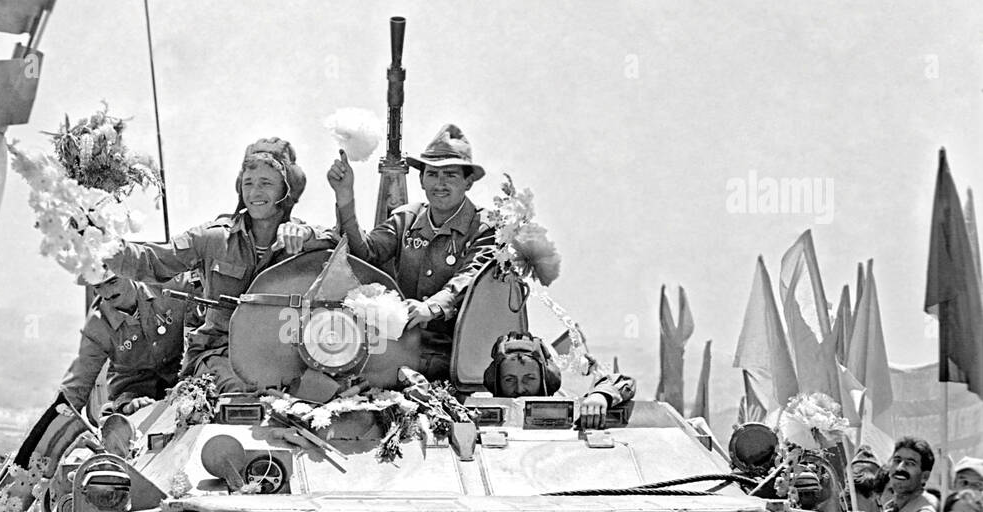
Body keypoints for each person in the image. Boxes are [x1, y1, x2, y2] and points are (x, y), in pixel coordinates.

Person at [103, 138, 336, 392]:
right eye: (248, 183)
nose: (255, 193)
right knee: (244, 396)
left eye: (266, 183)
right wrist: (97, 241)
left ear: (286, 190)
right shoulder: (213, 239)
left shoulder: (303, 240)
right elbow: (150, 261)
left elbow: (349, 246)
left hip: (286, 358)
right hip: (220, 356)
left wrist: (310, 236)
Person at [327, 124, 497, 380]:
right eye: (432, 174)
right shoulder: (406, 219)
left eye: (450, 175)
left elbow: (470, 279)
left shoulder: (484, 228)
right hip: (400, 352)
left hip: (459, 358)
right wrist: (345, 198)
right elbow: (364, 253)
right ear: (421, 179)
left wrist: (431, 307)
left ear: (468, 182)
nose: (440, 184)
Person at [59, 274, 192, 415]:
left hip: (185, 378)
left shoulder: (169, 284)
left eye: (113, 281)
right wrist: (55, 419)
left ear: (128, 271)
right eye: (98, 286)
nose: (107, 293)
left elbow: (209, 294)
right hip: (134, 394)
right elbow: (78, 381)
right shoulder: (97, 324)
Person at [479, 332, 636, 430]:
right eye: (509, 380)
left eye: (529, 378)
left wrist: (600, 397)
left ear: (546, 378)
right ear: (496, 382)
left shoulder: (565, 401)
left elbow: (623, 382)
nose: (520, 388)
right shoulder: (476, 413)